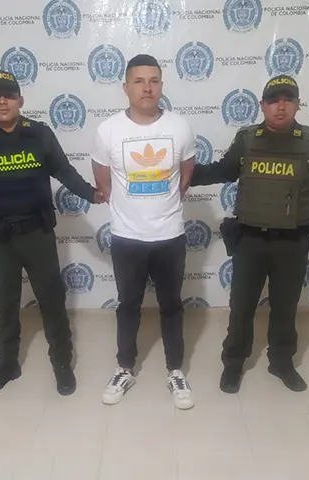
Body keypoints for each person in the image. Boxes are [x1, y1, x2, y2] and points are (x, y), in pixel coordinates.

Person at [0, 70, 105, 396]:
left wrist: (91, 194)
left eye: (9, 95)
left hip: (36, 234)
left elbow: (63, 170)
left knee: (52, 301)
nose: (2, 102)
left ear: (20, 100)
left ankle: (62, 364)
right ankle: (6, 365)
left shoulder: (39, 133)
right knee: (4, 305)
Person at [189, 74, 309, 393]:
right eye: (273, 100)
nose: (281, 106)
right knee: (241, 306)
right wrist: (184, 174)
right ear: (262, 105)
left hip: (292, 240)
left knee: (285, 307)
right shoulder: (247, 139)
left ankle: (281, 362)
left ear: (297, 104)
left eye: (288, 100)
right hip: (250, 238)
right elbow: (224, 170)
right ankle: (233, 363)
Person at [91, 54, 196, 409]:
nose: (147, 88)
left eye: (153, 80)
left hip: (170, 235)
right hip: (127, 237)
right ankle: (124, 368)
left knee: (172, 305)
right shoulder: (108, 131)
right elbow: (103, 182)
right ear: (126, 87)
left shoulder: (180, 127)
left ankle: (175, 370)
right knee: (128, 305)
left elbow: (185, 176)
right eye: (139, 81)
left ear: (161, 86)